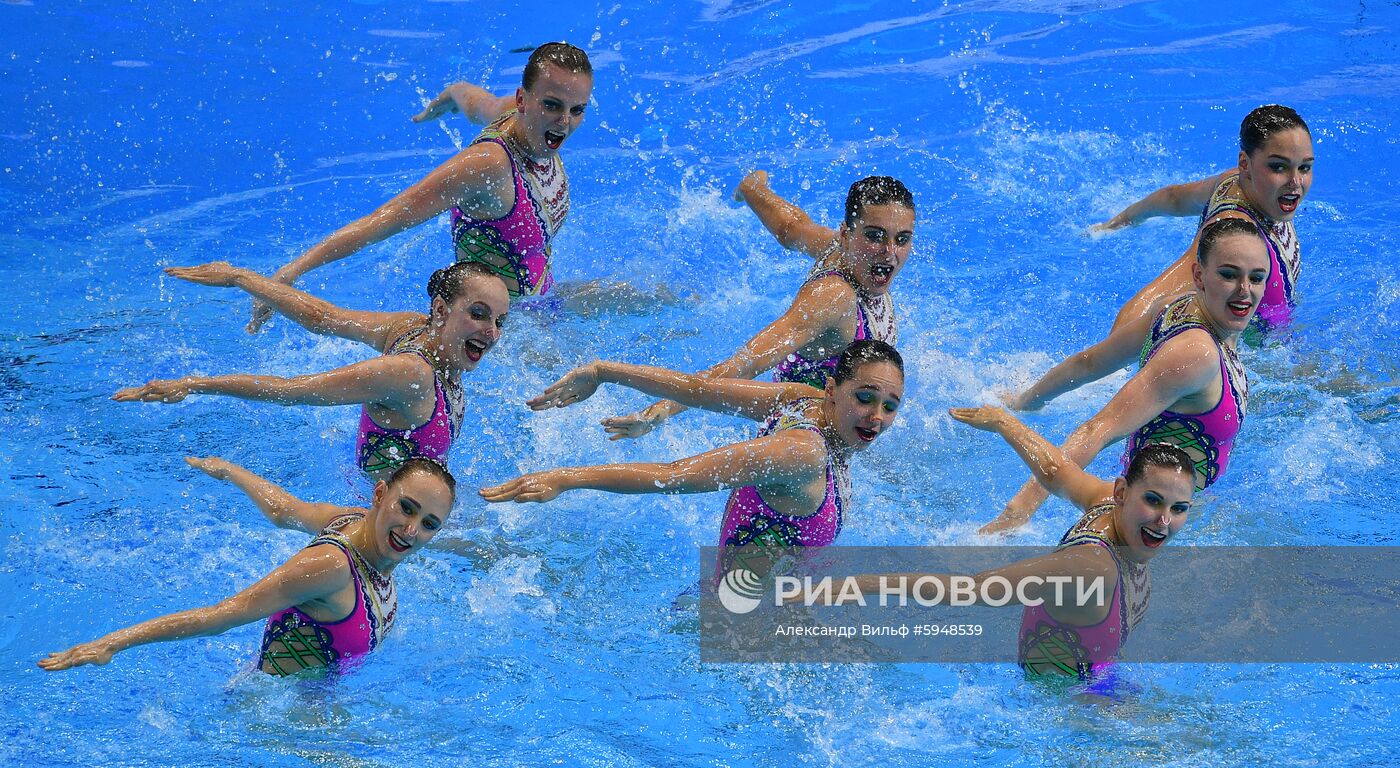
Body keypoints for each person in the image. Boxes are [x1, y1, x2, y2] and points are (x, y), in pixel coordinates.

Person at [248, 42, 592, 331]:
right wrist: (291, 272)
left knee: (637, 295)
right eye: (552, 105)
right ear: (523, 100)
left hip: (542, 305)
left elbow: (474, 101)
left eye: (577, 110)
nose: (564, 122)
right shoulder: (487, 166)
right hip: (497, 335)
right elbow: (383, 220)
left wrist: (448, 98)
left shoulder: (514, 115)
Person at [852, 407, 1195, 679]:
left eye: (1178, 509)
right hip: (1071, 706)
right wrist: (855, 585)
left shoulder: (1108, 504)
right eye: (1153, 501)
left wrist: (1004, 422)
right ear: (1121, 492)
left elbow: (1057, 471)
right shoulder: (1091, 567)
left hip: (1099, 676)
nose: (1164, 521)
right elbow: (971, 589)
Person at [39, 457, 455, 675]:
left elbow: (283, 511)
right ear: (380, 494)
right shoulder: (329, 566)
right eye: (407, 507)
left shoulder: (353, 522)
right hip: (277, 720)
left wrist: (231, 471)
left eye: (429, 524)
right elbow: (222, 615)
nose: (411, 529)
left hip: (309, 707)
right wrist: (114, 643)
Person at [481, 341, 905, 555]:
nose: (876, 417)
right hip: (747, 637)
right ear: (832, 389)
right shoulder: (802, 454)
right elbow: (675, 475)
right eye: (865, 398)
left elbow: (700, 389)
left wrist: (606, 371)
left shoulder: (799, 399)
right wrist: (565, 478)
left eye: (890, 406)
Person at [984, 218, 1267, 533]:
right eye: (1229, 275)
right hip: (1157, 528)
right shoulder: (1196, 354)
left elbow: (1088, 363)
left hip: (1154, 507)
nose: (1245, 291)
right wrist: (1020, 510)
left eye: (1256, 278)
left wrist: (1028, 400)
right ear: (1199, 275)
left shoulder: (1175, 309)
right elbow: (1099, 429)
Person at [114, 260, 508, 480]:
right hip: (388, 527)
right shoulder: (409, 374)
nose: (490, 334)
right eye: (478, 315)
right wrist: (194, 384)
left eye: (500, 322)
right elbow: (294, 390)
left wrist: (243, 278)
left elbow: (323, 316)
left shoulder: (412, 329)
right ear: (441, 310)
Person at [601, 173, 913, 440]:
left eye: (902, 239)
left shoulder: (841, 248)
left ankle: (752, 187)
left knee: (793, 232)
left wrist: (755, 191)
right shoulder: (832, 298)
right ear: (848, 234)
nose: (889, 253)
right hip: (805, 429)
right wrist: (663, 409)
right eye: (875, 236)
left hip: (855, 420)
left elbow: (791, 228)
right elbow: (746, 363)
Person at [1083, 104, 1312, 336]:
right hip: (1260, 359)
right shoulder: (1234, 231)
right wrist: (1112, 359)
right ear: (1245, 164)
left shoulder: (1236, 183)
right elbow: (1153, 299)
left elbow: (1173, 198)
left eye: (1304, 167)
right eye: (1278, 167)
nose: (1295, 182)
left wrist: (1120, 221)